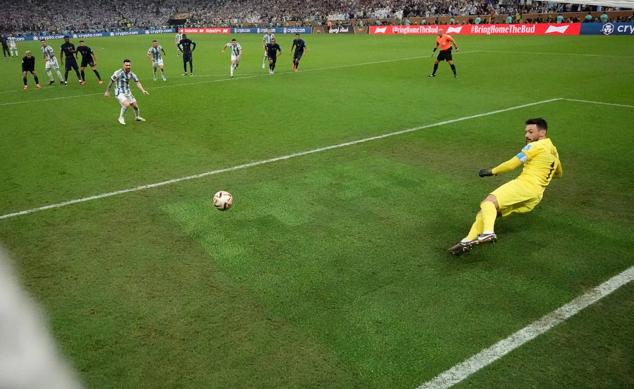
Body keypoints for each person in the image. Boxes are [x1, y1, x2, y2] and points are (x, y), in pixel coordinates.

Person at [448, 118, 563, 256]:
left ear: (542, 132)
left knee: (488, 202)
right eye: (526, 132)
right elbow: (559, 173)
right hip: (536, 196)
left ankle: (488, 233)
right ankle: (466, 242)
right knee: (487, 213)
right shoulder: (554, 151)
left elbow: (512, 164)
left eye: (531, 132)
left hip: (524, 185)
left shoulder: (535, 146)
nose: (527, 135)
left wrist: (492, 171)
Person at [104, 59, 149, 125]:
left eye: (129, 65)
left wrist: (143, 90)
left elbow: (137, 82)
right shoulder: (118, 73)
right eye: (126, 65)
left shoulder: (131, 74)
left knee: (136, 107)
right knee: (127, 104)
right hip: (119, 92)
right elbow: (111, 81)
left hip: (128, 92)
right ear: (123, 65)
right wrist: (107, 91)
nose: (128, 66)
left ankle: (137, 117)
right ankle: (121, 117)